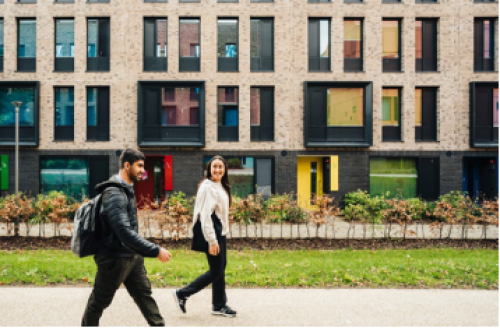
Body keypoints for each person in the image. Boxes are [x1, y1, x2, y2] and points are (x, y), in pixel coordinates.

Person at [82, 149, 172, 327]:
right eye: (139, 166)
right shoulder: (115, 194)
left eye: (143, 166)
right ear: (126, 165)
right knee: (98, 302)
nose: (142, 170)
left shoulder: (125, 190)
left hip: (131, 256)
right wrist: (155, 250)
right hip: (114, 259)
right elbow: (123, 231)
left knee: (145, 297)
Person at [172, 156, 237, 318]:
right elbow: (205, 217)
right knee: (216, 271)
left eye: (220, 167)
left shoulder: (219, 185)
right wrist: (212, 241)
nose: (217, 170)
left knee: (220, 269)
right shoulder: (209, 187)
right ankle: (182, 293)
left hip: (219, 232)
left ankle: (218, 305)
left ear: (225, 169)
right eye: (214, 167)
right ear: (209, 169)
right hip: (213, 234)